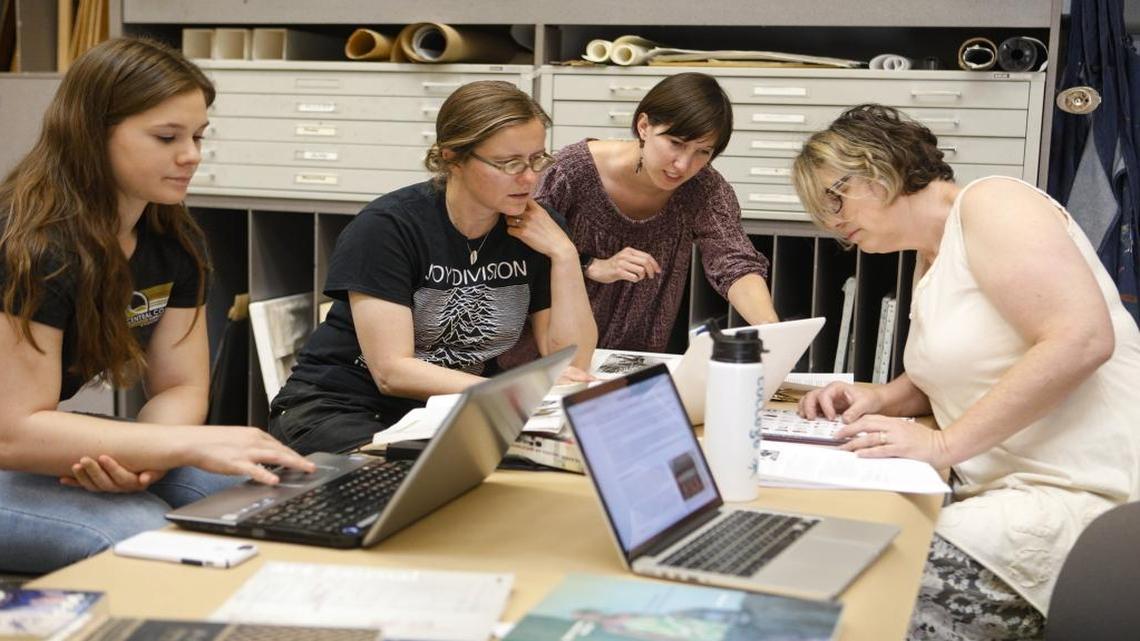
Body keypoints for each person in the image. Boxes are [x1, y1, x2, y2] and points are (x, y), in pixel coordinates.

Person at [791, 104, 1140, 640]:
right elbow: (964, 371)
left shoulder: (993, 203)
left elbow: (1081, 340)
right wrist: (881, 399)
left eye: (835, 196)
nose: (832, 221)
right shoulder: (930, 255)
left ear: (878, 166)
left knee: (857, 590)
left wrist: (942, 446)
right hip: (1006, 484)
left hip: (1087, 494)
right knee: (830, 544)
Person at [0, 38, 313, 574]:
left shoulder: (173, 242)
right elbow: (13, 431)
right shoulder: (30, 247)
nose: (191, 154)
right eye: (167, 137)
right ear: (92, 134)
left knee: (270, 496)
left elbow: (180, 386)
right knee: (143, 536)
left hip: (24, 442)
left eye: (197, 136)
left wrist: (148, 453)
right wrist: (161, 448)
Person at [268, 80, 597, 455]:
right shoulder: (388, 227)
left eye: (537, 159)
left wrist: (565, 255)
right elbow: (392, 372)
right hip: (338, 407)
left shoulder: (537, 227)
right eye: (509, 164)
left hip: (443, 412)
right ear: (452, 157)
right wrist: (515, 393)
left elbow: (572, 361)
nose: (529, 178)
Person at [510, 72, 777, 359]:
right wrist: (590, 264)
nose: (683, 165)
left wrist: (771, 331)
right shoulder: (570, 172)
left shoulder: (703, 189)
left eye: (703, 152)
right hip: (548, 353)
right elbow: (517, 238)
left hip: (633, 358)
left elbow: (734, 261)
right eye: (675, 142)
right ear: (644, 126)